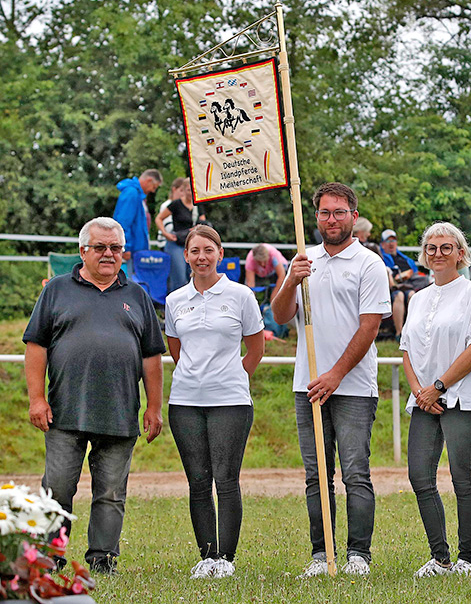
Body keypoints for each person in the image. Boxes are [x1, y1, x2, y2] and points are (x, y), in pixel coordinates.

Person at [22, 217, 165, 574]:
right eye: (100, 247)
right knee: (56, 489)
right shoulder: (56, 289)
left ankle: (102, 558)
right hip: (65, 412)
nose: (108, 254)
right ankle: (50, 556)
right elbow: (36, 346)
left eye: (115, 248)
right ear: (82, 250)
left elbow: (152, 356)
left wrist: (154, 407)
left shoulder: (138, 295)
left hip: (119, 414)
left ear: (123, 253)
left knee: (111, 494)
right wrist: (36, 399)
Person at [270, 182, 392, 578]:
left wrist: (336, 375)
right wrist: (291, 278)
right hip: (308, 385)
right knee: (316, 475)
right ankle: (321, 555)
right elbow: (281, 315)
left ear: (354, 217)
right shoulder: (305, 260)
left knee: (355, 471)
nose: (331, 219)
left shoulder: (369, 264)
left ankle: (359, 555)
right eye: (325, 212)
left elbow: (370, 326)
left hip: (353, 387)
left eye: (340, 212)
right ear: (316, 216)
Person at [165, 225, 265, 578]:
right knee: (197, 481)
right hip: (185, 401)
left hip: (231, 401)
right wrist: (197, 377)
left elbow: (256, 347)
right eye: (195, 251)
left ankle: (226, 559)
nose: (201, 257)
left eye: (208, 250)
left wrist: (232, 377)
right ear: (186, 255)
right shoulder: (175, 300)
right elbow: (176, 350)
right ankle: (206, 556)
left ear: (220, 254)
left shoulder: (240, 295)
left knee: (225, 479)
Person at [401, 222, 471, 578]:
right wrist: (419, 391)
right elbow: (407, 349)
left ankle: (465, 559)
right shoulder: (418, 297)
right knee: (419, 476)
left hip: (461, 398)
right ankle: (439, 558)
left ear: (460, 253)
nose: (438, 253)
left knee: (461, 476)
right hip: (424, 400)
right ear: (425, 254)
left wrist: (438, 386)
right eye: (431, 248)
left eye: (446, 247)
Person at [113, 168, 163, 274]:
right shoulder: (132, 194)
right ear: (149, 180)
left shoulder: (137, 195)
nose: (153, 191)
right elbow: (123, 223)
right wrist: (125, 248)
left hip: (136, 250)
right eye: (154, 187)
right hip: (131, 251)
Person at [156, 178, 196, 292]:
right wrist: (165, 234)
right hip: (175, 242)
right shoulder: (172, 204)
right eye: (188, 190)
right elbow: (162, 220)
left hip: (191, 243)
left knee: (192, 276)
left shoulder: (197, 205)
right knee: (178, 278)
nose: (190, 193)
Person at [381, 229, 420, 339]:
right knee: (400, 296)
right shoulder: (380, 257)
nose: (391, 243)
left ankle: (413, 331)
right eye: (388, 241)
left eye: (393, 240)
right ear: (383, 245)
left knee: (413, 295)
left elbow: (415, 273)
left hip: (407, 286)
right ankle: (399, 333)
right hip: (390, 289)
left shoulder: (406, 259)